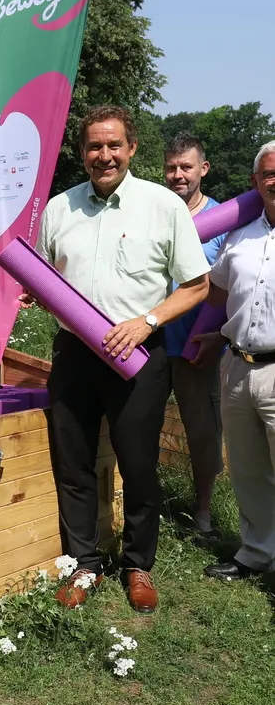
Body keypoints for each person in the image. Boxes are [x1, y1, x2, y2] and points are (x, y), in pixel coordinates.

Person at [25, 105, 209, 613]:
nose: (103, 155)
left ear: (131, 149)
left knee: (139, 463)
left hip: (139, 358)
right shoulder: (59, 210)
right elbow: (45, 284)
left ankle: (137, 564)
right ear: (81, 152)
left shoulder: (162, 206)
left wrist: (145, 322)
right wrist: (33, 295)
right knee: (75, 462)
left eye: (113, 145)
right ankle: (84, 565)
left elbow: (196, 285)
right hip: (74, 357)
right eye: (93, 146)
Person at [203, 141, 275, 581]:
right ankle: (257, 552)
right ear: (255, 182)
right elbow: (215, 294)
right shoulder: (239, 237)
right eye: (268, 173)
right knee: (247, 470)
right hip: (236, 368)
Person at [163, 133, 226, 534]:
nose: (178, 175)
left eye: (186, 166)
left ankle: (202, 509)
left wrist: (217, 333)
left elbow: (231, 284)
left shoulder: (225, 219)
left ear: (203, 169)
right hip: (148, 342)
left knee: (202, 430)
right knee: (137, 425)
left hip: (197, 345)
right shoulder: (153, 209)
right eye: (171, 167)